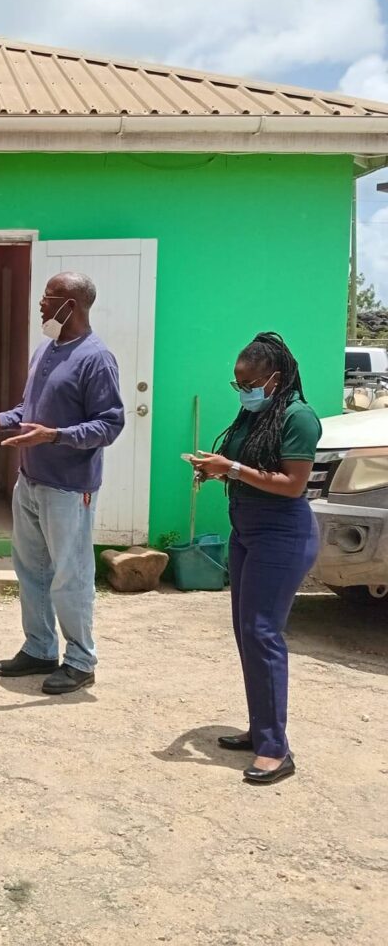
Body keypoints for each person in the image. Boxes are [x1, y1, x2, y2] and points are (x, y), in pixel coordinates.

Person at [0, 271, 124, 694]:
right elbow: (28, 408)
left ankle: (80, 659)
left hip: (69, 489)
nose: (40, 304)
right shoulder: (46, 350)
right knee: (31, 570)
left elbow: (110, 424)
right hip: (31, 482)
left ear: (70, 305)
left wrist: (56, 436)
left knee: (69, 576)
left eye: (48, 297)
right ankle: (39, 648)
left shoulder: (96, 358)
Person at [190, 332, 320, 785]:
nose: (243, 390)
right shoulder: (253, 413)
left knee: (263, 633)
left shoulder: (299, 418)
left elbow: (292, 484)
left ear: (275, 379)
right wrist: (213, 466)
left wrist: (234, 470)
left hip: (282, 537)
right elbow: (240, 461)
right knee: (247, 633)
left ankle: (275, 750)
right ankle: (261, 728)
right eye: (237, 383)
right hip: (246, 531)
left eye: (249, 382)